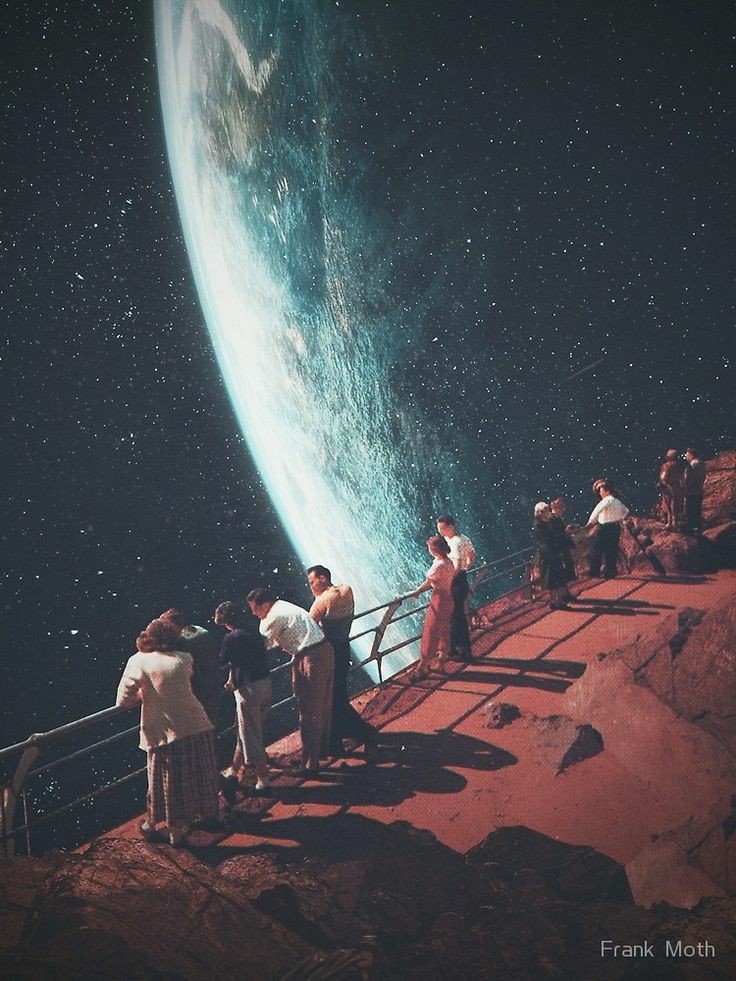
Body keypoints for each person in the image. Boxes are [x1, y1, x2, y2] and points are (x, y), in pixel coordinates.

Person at [116, 617, 220, 846]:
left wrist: (143, 694)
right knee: (195, 778)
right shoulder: (184, 658)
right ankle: (197, 819)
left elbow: (123, 701)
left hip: (165, 733)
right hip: (196, 725)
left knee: (166, 784)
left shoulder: (138, 661)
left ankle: (172, 831)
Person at [247, 588, 334, 777]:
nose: (254, 613)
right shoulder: (283, 606)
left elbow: (263, 642)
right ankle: (317, 753)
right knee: (320, 707)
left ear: (265, 605)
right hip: (320, 652)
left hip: (311, 657)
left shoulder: (272, 617)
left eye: (255, 609)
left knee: (309, 711)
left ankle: (310, 765)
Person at [307, 565, 376, 755]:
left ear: (322, 578)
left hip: (330, 654)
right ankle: (337, 741)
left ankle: (363, 733)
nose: (311, 586)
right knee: (337, 696)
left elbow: (308, 627)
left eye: (312, 582)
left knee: (332, 699)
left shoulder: (322, 601)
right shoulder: (346, 590)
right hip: (344, 649)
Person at [214, 601, 272, 792]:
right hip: (265, 683)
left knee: (252, 735)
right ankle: (233, 769)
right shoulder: (252, 630)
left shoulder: (231, 638)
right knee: (246, 730)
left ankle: (263, 780)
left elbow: (222, 660)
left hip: (249, 690)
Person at [159, 608, 222, 726]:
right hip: (211, 689)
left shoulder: (183, 641)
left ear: (173, 624)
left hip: (196, 694)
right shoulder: (201, 632)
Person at [410, 535, 456, 677]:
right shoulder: (449, 562)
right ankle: (441, 662)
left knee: (431, 630)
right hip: (449, 598)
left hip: (439, 600)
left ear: (435, 550)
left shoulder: (438, 565)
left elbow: (429, 582)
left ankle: (422, 666)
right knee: (444, 630)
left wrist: (417, 591)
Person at [436, 514, 476, 662]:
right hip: (461, 579)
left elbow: (457, 564)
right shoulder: (464, 538)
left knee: (455, 616)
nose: (440, 531)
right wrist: (466, 568)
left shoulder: (455, 542)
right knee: (456, 615)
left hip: (455, 581)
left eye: (442, 528)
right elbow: (472, 557)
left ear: (451, 526)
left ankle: (462, 650)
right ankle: (456, 648)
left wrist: (449, 578)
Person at [533, 503, 573, 609]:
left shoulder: (543, 523)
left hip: (550, 553)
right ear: (540, 512)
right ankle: (556, 602)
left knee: (555, 578)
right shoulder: (539, 525)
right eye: (545, 511)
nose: (548, 512)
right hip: (547, 555)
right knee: (551, 579)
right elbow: (546, 540)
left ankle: (559, 601)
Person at [586, 481, 629, 578]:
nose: (600, 493)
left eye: (601, 491)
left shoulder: (605, 501)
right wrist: (621, 518)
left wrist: (590, 522)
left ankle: (594, 573)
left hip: (604, 527)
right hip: (615, 527)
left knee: (597, 549)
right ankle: (610, 572)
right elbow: (626, 511)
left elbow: (596, 511)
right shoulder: (618, 502)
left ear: (607, 491)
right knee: (612, 550)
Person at [549, 497, 576, 586]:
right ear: (556, 508)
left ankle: (571, 579)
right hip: (559, 545)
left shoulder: (556, 518)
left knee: (568, 561)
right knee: (566, 562)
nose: (562, 511)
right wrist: (565, 532)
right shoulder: (552, 519)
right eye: (561, 509)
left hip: (562, 544)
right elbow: (554, 533)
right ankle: (570, 580)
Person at [658, 449, 686, 530]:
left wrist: (662, 484)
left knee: (668, 505)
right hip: (677, 487)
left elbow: (663, 478)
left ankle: (670, 523)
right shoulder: (679, 466)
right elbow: (682, 478)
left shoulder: (665, 466)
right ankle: (676, 523)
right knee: (676, 505)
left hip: (668, 488)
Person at [684, 448, 706, 531]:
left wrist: (685, 488)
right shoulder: (701, 463)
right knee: (697, 509)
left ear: (691, 455)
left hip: (691, 491)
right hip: (699, 490)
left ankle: (692, 528)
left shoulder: (693, 465)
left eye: (687, 455)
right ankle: (698, 527)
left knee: (690, 509)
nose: (686, 457)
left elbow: (689, 478)